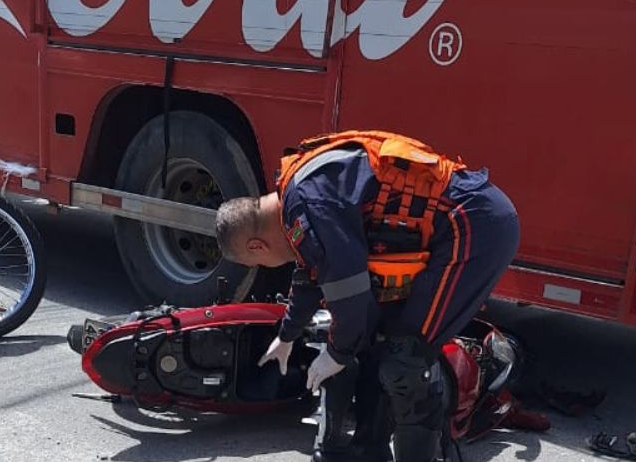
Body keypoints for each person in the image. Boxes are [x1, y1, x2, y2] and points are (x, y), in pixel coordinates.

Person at [214, 131, 519, 462]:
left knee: (406, 362)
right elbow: (311, 273)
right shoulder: (294, 199)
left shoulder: (308, 206)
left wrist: (337, 352)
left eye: (257, 263)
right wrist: (287, 335)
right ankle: (369, 451)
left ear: (256, 246)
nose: (264, 265)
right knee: (380, 342)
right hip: (462, 224)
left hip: (474, 229)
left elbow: (350, 292)